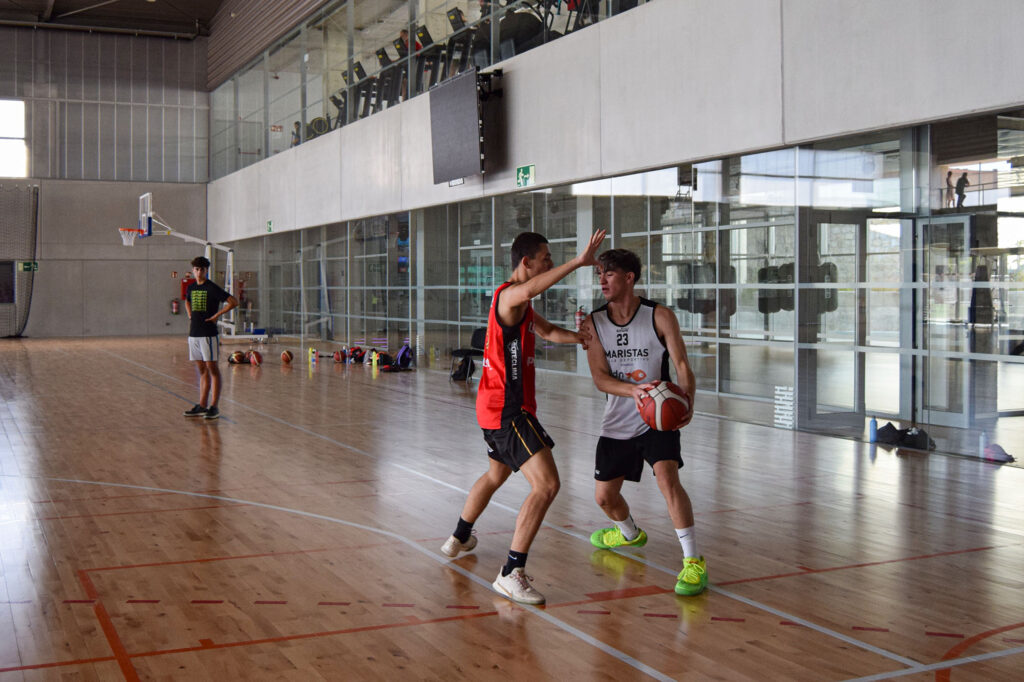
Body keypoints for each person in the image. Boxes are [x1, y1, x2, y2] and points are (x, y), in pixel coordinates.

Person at [440, 229, 607, 605]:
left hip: (492, 408)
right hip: (507, 409)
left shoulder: (521, 306)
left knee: (496, 474)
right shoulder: (512, 296)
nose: (549, 263)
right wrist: (578, 262)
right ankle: (511, 572)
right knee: (547, 485)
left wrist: (578, 339)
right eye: (546, 258)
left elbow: (545, 330)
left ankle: (460, 537)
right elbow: (529, 292)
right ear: (526, 262)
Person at [580, 248, 706, 596]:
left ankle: (694, 562)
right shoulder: (594, 322)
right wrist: (635, 391)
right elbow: (600, 379)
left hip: (657, 418)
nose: (602, 280)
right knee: (605, 498)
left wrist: (688, 400)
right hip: (619, 419)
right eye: (599, 275)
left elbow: (682, 365)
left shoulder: (659, 315)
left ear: (629, 278)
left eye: (608, 274)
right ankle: (629, 534)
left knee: (668, 479)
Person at [183, 256, 238, 420]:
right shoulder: (191, 287)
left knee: (212, 369)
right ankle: (202, 405)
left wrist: (217, 316)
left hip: (208, 334)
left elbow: (233, 302)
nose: (198, 272)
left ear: (206, 271)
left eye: (202, 269)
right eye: (196, 269)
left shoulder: (212, 288)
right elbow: (187, 301)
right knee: (201, 371)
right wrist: (189, 313)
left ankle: (214, 406)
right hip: (194, 334)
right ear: (193, 270)